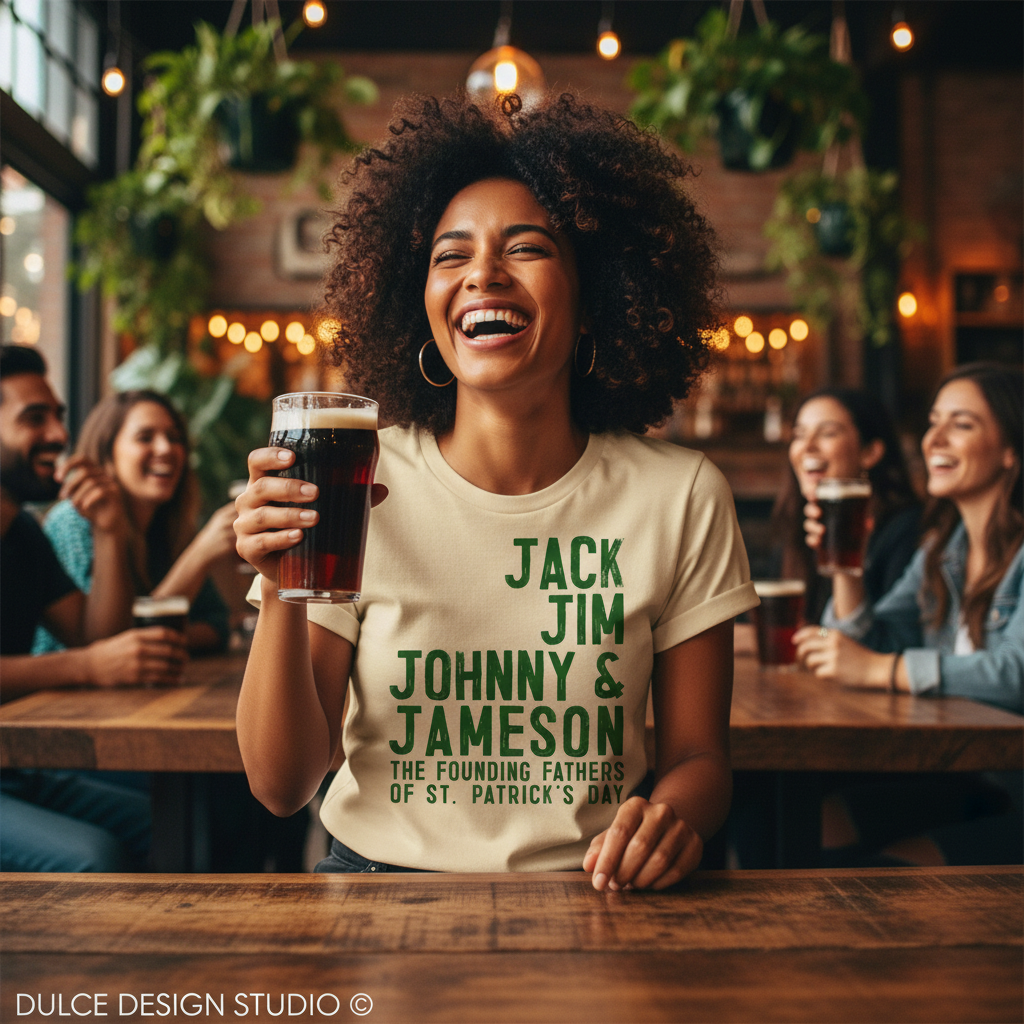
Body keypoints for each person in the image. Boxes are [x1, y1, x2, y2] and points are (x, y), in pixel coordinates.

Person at [234, 93, 759, 889]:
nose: (483, 272)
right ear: (422, 306)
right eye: (451, 255)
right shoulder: (357, 481)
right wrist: (280, 589)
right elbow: (283, 785)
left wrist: (671, 819)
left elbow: (698, 759)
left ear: (597, 301)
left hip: (592, 896)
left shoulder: (681, 495)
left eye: (527, 247)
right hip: (376, 893)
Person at [794, 362, 1023, 864]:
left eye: (961, 424)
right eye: (934, 421)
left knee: (898, 868)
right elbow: (869, 640)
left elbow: (1016, 673)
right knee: (814, 814)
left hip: (1012, 788)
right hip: (971, 778)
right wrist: (846, 566)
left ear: (1012, 450)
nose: (933, 439)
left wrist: (885, 671)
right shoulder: (943, 552)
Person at [0, 345, 183, 872]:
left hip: (16, 767)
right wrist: (87, 667)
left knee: (173, 826)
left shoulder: (23, 534)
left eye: (57, 416)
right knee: (94, 857)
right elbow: (92, 657)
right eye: (35, 419)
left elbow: (92, 635)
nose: (59, 435)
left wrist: (108, 531)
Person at [32, 390, 234, 655]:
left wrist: (163, 639)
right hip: (59, 695)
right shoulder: (74, 521)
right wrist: (198, 556)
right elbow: (108, 647)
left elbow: (218, 625)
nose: (165, 449)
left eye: (174, 438)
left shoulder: (169, 528)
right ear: (107, 456)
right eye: (145, 437)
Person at [771, 389, 920, 623]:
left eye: (828, 433)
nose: (807, 446)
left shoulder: (906, 529)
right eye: (799, 435)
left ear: (870, 452)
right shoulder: (799, 524)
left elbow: (882, 639)